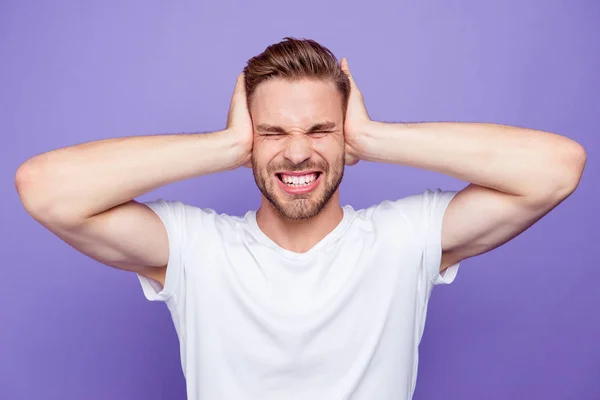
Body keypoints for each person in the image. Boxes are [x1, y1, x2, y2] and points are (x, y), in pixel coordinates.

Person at [15, 37, 586, 399]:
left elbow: (558, 168)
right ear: (250, 143)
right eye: (272, 133)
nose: (295, 154)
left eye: (319, 130)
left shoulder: (403, 239)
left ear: (345, 138)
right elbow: (43, 189)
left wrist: (374, 137)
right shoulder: (194, 248)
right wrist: (223, 145)